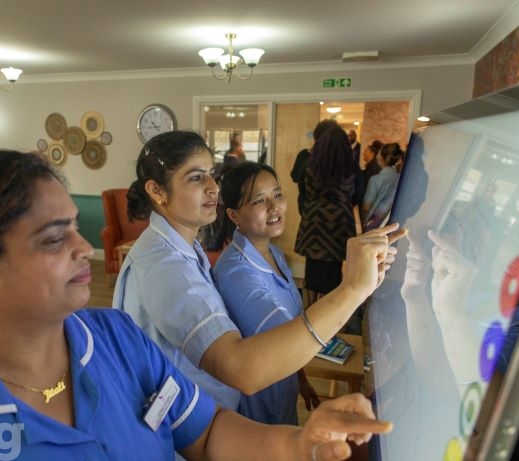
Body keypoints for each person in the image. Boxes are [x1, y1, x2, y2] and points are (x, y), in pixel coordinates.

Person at [0, 150, 393, 460]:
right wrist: (352, 290)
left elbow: (207, 433)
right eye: (54, 239)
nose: (84, 249)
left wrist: (300, 443)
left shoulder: (114, 337)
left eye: (75, 228)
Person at [113, 130, 405, 419]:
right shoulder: (166, 266)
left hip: (206, 421)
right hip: (184, 433)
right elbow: (242, 369)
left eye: (211, 174)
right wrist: (352, 288)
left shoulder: (184, 248)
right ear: (157, 191)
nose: (213, 187)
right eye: (195, 177)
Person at [213, 161, 322, 425]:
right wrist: (353, 286)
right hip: (256, 412)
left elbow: (290, 325)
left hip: (282, 391)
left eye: (277, 194)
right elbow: (281, 340)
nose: (274, 207)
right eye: (259, 201)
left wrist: (300, 379)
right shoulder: (236, 272)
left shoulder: (272, 252)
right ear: (234, 215)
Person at [294, 120, 360, 304]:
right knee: (333, 271)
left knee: (312, 269)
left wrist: (310, 211)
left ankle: (309, 308)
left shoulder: (309, 165)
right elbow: (358, 197)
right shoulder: (351, 167)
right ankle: (326, 309)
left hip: (314, 221)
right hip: (340, 225)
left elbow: (303, 193)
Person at [360, 143, 404, 231]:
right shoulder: (400, 177)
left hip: (373, 225)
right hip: (392, 224)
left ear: (380, 157)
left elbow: (366, 207)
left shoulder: (376, 179)